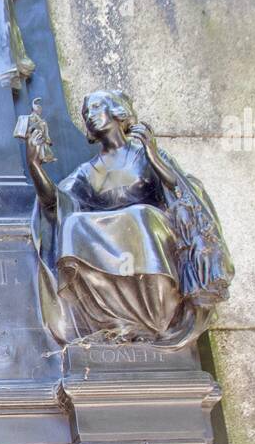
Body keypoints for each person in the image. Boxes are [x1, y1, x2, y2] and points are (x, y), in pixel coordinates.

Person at [28, 89, 231, 345]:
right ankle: (114, 317)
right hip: (114, 234)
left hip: (152, 228)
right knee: (72, 224)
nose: (89, 116)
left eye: (96, 107)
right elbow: (55, 203)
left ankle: (157, 315)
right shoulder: (88, 171)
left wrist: (153, 155)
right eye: (85, 112)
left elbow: (176, 188)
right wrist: (35, 165)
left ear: (116, 111)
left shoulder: (144, 153)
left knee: (140, 216)